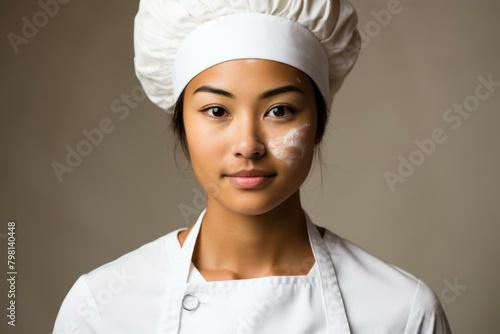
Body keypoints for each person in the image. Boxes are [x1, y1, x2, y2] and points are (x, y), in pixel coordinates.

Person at [54, 0, 451, 333]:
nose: (248, 145)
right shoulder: (103, 308)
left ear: (317, 122)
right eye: (216, 110)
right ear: (182, 125)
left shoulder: (402, 312)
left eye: (279, 110)